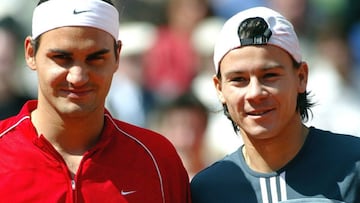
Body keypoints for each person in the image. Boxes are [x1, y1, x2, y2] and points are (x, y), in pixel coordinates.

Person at [0, 0, 191, 202]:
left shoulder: (158, 160)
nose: (78, 77)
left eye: (95, 58)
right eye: (62, 58)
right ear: (30, 53)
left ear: (117, 56)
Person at [190, 6, 360, 203]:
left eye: (270, 76)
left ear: (301, 77)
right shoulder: (208, 189)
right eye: (239, 79)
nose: (255, 93)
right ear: (219, 89)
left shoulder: (354, 164)